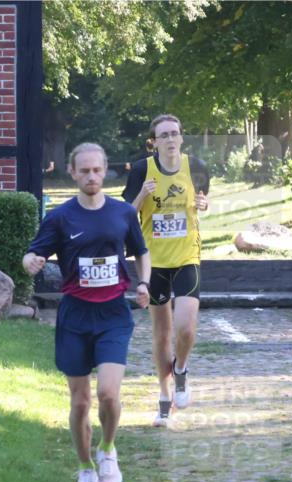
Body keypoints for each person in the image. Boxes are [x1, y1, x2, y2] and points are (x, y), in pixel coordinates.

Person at [24, 143, 151, 482]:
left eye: (97, 170)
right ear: (73, 173)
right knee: (80, 401)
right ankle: (85, 468)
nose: (92, 176)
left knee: (109, 393)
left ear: (105, 170)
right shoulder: (61, 217)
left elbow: (141, 252)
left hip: (113, 313)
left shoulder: (123, 213)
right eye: (85, 171)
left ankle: (108, 450)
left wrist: (144, 283)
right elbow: (33, 253)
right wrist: (31, 261)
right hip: (75, 316)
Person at [122, 114, 210, 427]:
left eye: (175, 133)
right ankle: (163, 395)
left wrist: (203, 204)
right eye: (164, 135)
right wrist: (143, 195)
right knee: (161, 334)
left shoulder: (196, 167)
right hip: (153, 261)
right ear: (154, 142)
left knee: (185, 327)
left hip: (187, 256)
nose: (170, 139)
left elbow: (202, 200)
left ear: (181, 138)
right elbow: (125, 216)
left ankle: (181, 370)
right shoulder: (142, 169)